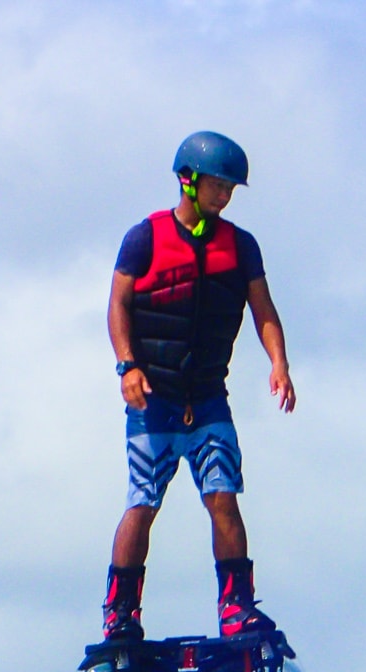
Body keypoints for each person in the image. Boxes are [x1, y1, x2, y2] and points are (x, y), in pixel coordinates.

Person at [102, 130, 295, 641]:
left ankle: (237, 608)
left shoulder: (241, 246)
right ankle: (121, 612)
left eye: (231, 188)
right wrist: (128, 367)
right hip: (154, 399)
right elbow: (117, 305)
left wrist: (279, 363)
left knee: (224, 498)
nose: (224, 195)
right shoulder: (145, 237)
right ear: (188, 181)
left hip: (208, 398)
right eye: (217, 185)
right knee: (143, 502)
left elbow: (264, 310)